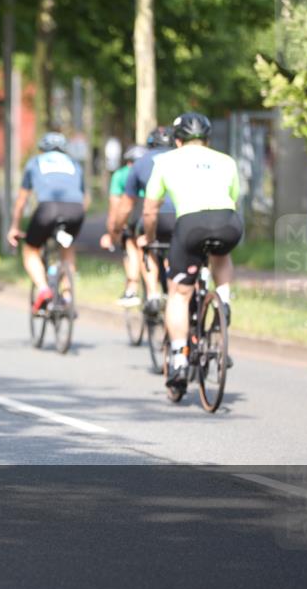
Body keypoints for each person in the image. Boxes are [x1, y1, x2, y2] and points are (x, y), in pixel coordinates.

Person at [142, 112, 242, 391]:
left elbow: (150, 210)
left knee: (179, 291)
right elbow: (232, 198)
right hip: (228, 222)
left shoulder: (164, 161)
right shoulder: (226, 160)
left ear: (177, 140)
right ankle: (223, 299)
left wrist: (148, 239)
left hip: (191, 224)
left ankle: (178, 357)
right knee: (220, 254)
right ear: (207, 139)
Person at [7, 131, 87, 314]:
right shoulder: (74, 164)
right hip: (75, 210)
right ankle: (67, 297)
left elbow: (21, 200)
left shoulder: (35, 162)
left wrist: (14, 227)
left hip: (48, 209)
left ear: (42, 150)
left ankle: (43, 290)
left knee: (30, 249)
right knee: (68, 248)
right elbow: (84, 198)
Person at [108, 127, 178, 309]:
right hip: (182, 216)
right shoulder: (182, 157)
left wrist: (116, 228)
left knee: (140, 243)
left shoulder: (139, 164)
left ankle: (151, 292)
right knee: (177, 247)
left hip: (154, 215)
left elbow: (124, 206)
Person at [100, 144, 147, 304]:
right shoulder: (153, 169)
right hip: (154, 213)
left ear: (128, 162)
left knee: (131, 245)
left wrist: (113, 231)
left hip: (134, 212)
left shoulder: (121, 174)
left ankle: (132, 290)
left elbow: (115, 206)